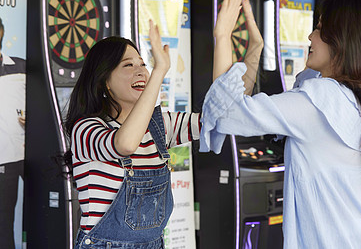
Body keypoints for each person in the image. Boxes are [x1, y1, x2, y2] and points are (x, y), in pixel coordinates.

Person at [200, 0, 361, 248]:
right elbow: (244, 104)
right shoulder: (358, 98)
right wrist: (255, 49)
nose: (310, 36)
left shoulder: (319, 101)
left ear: (343, 38)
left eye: (320, 28)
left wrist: (224, 34)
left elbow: (225, 112)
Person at [64, 13, 260, 248]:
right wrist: (159, 71)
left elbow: (224, 116)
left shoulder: (159, 126)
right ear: (104, 81)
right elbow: (124, 144)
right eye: (129, 65)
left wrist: (247, 47)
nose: (141, 71)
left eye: (143, 65)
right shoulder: (86, 128)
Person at [0, 16, 26, 248]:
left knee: (45, 208)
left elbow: (45, 103)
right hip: (3, 160)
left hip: (32, 154)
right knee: (4, 221)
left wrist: (35, 119)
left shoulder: (21, 66)